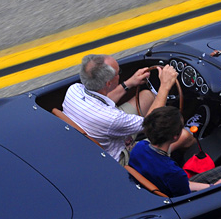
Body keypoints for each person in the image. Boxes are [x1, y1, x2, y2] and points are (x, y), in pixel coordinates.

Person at [63, 54, 191, 164]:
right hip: (120, 158)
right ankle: (195, 151)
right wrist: (165, 86)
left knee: (146, 95)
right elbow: (151, 123)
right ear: (108, 83)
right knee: (184, 135)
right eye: (119, 73)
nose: (120, 75)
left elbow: (102, 101)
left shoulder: (74, 89)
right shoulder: (112, 119)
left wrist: (129, 83)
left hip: (100, 133)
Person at [129, 106, 221, 197]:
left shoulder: (139, 148)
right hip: (180, 194)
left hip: (159, 187)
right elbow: (186, 193)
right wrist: (215, 186)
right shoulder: (173, 172)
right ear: (176, 137)